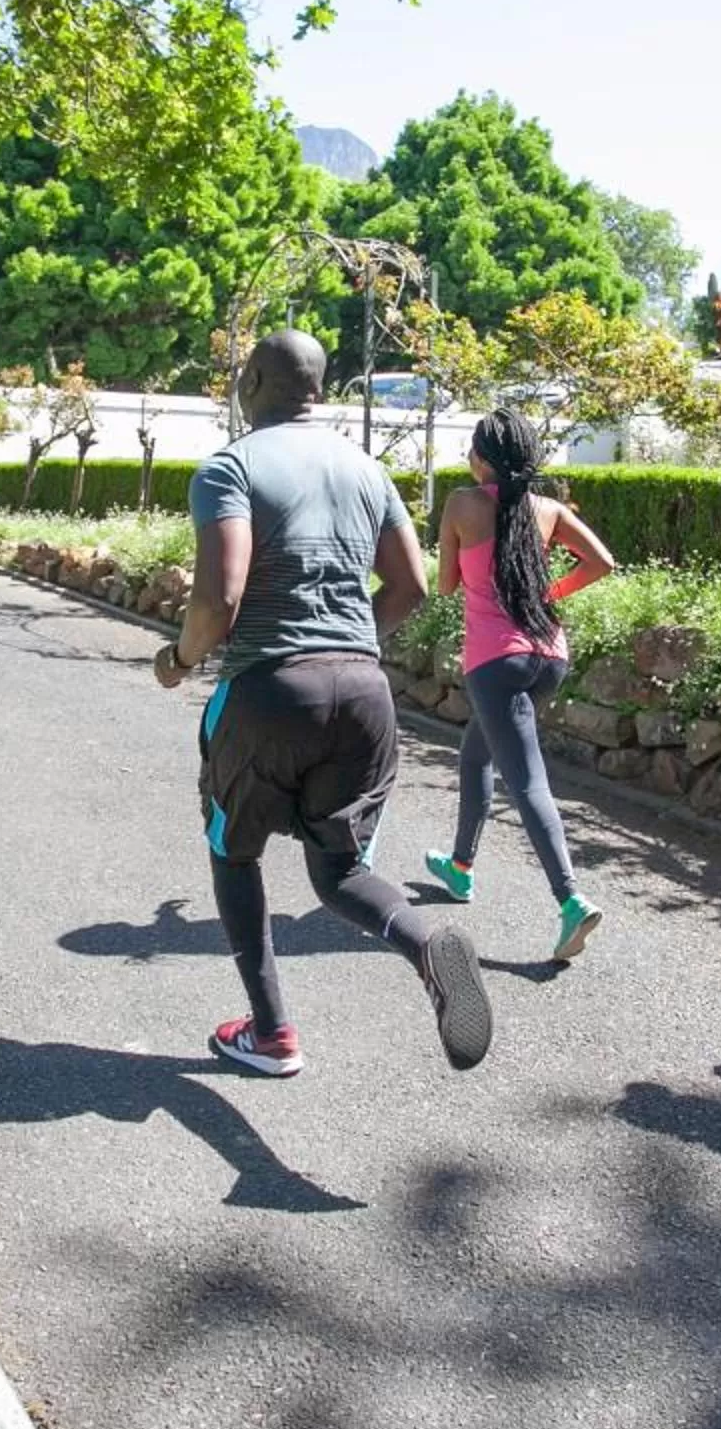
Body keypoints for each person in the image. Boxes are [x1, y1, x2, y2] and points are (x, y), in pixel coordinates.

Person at [151, 329, 493, 1079]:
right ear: (319, 387)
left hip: (267, 690)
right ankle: (426, 945)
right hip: (364, 693)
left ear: (252, 382)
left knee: (233, 852)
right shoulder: (366, 470)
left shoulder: (229, 467)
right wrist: (342, 644)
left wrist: (178, 660)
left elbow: (221, 598)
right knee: (338, 871)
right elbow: (407, 589)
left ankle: (271, 1035)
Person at [420, 409, 616, 961]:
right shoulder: (549, 510)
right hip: (548, 655)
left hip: (495, 664)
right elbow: (602, 562)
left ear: (482, 459)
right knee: (474, 755)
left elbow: (446, 584)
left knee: (527, 783)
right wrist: (546, 595)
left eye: (471, 451)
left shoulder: (462, 503)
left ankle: (571, 899)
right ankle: (460, 868)